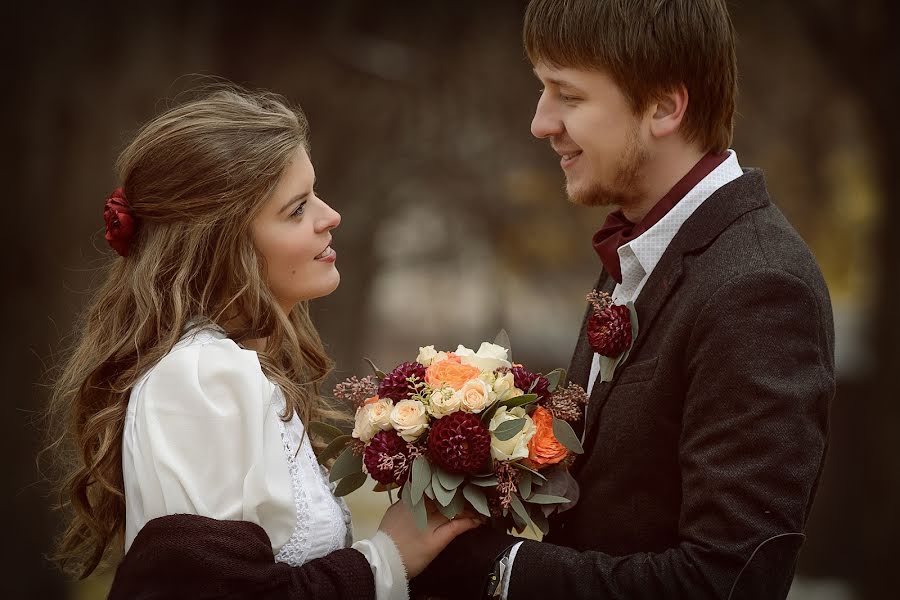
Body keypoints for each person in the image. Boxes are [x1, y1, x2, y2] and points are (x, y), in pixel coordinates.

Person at [412, 1, 835, 598]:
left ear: (664, 106)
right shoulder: (644, 246)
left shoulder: (760, 289)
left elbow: (726, 582)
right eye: (543, 90)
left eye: (569, 95)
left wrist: (499, 569)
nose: (541, 122)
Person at [47, 85, 481, 600]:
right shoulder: (200, 377)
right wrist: (387, 557)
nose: (329, 216)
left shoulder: (234, 370)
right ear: (223, 245)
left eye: (314, 194)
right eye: (297, 209)